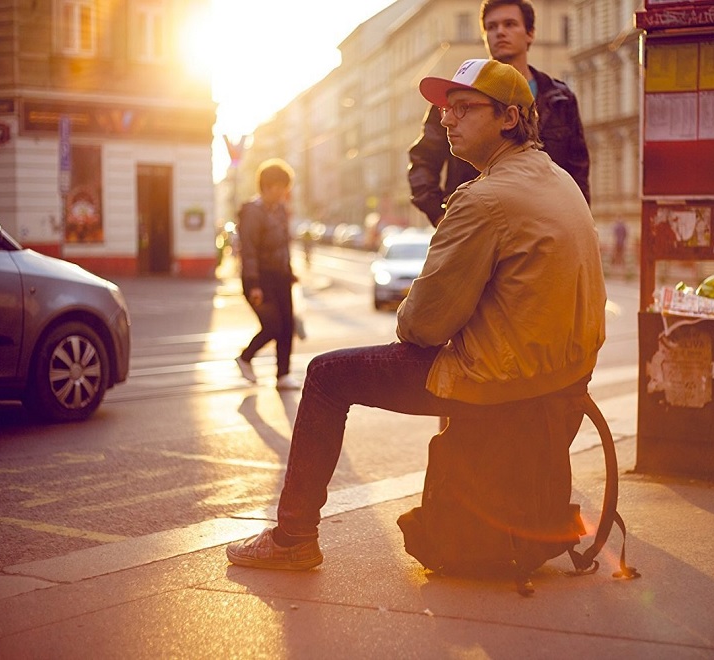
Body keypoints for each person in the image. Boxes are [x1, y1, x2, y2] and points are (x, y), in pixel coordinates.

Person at [226, 58, 607, 570]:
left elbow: (422, 326)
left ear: (510, 118)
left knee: (325, 377)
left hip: (499, 381)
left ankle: (293, 539)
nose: (448, 120)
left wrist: (417, 314)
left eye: (465, 108)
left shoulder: (483, 199)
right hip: (564, 377)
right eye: (447, 109)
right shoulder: (558, 180)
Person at [407, 0, 590, 226]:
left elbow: (578, 172)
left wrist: (578, 224)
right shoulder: (456, 97)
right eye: (491, 27)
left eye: (510, 24)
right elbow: (422, 159)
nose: (500, 32)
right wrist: (440, 214)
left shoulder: (560, 99)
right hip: (477, 224)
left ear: (530, 33)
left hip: (544, 228)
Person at [234, 158, 301, 391]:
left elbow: (284, 245)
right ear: (269, 186)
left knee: (288, 327)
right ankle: (245, 358)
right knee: (273, 326)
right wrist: (253, 283)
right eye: (282, 187)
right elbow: (249, 250)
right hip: (260, 280)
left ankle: (283, 375)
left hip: (281, 277)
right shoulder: (253, 212)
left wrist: (290, 272)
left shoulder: (281, 210)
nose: (285, 192)